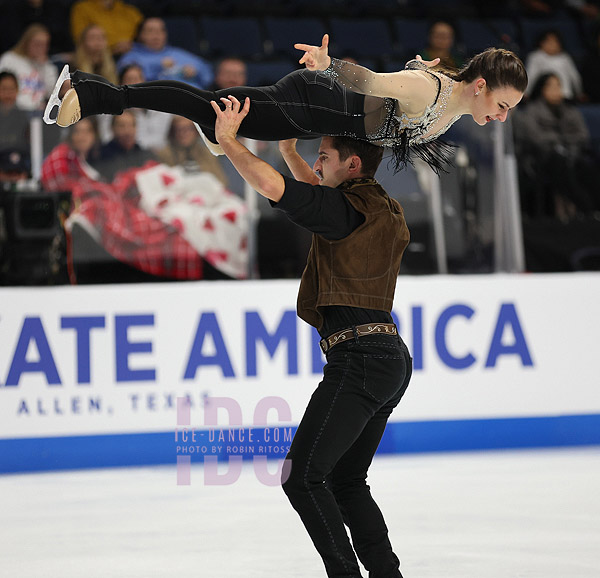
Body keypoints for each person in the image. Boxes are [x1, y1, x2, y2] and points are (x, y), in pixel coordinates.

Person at [210, 92, 412, 577]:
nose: (318, 167)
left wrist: (231, 144)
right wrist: (293, 155)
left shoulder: (347, 212)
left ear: (353, 163)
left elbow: (275, 189)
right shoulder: (378, 207)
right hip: (387, 358)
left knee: (302, 478)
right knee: (345, 480)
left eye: (325, 158)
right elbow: (319, 200)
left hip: (360, 357)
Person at [45, 35, 526, 173]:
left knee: (214, 111)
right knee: (210, 107)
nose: (502, 118)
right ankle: (93, 95)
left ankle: (91, 88)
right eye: (503, 105)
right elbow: (370, 80)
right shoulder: (433, 93)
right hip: (309, 101)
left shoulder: (450, 102)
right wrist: (328, 62)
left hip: (315, 114)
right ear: (481, 85)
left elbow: (391, 105)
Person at [512, 73, 597, 220]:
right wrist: (560, 142)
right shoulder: (533, 111)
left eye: (558, 86)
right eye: (551, 86)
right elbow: (535, 137)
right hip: (542, 157)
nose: (556, 90)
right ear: (542, 89)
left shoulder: (570, 111)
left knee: (586, 165)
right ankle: (585, 207)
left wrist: (564, 143)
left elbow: (583, 135)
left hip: (573, 154)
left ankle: (593, 210)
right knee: (559, 162)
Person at [117, 17, 213, 89]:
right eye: (150, 31)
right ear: (140, 35)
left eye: (161, 30)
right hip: (155, 105)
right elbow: (126, 77)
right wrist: (158, 66)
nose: (156, 35)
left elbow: (207, 72)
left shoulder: (178, 53)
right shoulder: (131, 56)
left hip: (191, 100)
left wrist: (196, 72)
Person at [0, 23, 57, 111]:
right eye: (37, 43)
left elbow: (50, 93)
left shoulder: (48, 67)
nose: (40, 48)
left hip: (38, 113)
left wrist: (43, 67)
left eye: (44, 44)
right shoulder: (9, 59)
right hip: (13, 110)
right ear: (26, 42)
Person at [157, 115, 227, 185]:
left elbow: (221, 182)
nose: (184, 133)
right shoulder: (164, 154)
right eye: (179, 129)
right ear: (173, 132)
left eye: (188, 129)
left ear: (196, 132)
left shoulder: (207, 154)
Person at [41, 117, 102, 192]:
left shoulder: (93, 158)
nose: (82, 137)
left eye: (87, 131)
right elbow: (63, 185)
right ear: (71, 134)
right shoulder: (61, 154)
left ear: (95, 135)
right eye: (77, 131)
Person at [95, 109, 156, 180]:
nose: (128, 131)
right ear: (112, 128)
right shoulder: (100, 156)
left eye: (131, 125)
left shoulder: (147, 156)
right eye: (122, 126)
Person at [525, 29, 583, 101]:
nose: (552, 45)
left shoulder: (565, 58)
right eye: (549, 41)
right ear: (541, 43)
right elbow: (531, 75)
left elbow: (574, 76)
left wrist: (579, 93)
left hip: (565, 96)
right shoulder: (536, 57)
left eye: (555, 42)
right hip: (543, 97)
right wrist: (526, 92)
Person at [70, 0, 143, 57]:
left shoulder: (131, 12)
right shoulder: (82, 9)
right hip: (98, 57)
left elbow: (145, 36)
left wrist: (132, 45)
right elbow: (81, 40)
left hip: (131, 55)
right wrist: (113, 49)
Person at [0, 72, 30, 153]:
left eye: (11, 89)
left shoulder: (25, 116)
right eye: (4, 89)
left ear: (17, 90)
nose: (7, 93)